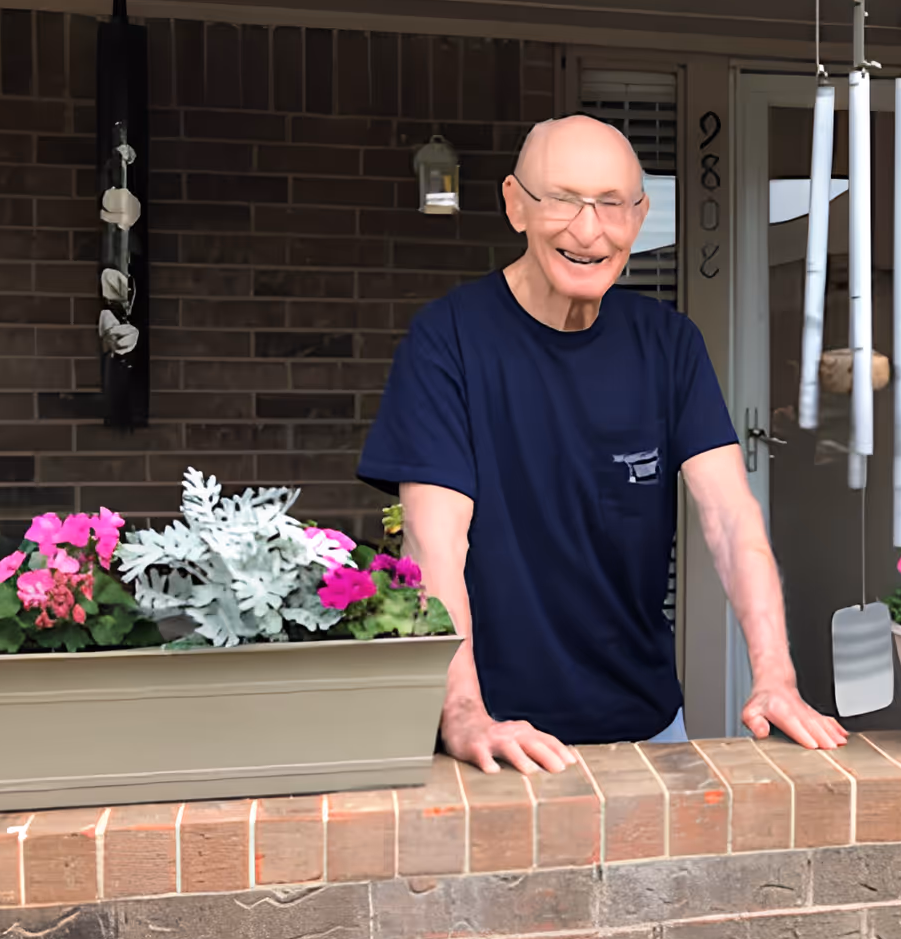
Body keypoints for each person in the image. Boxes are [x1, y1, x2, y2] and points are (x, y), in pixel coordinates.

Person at [357, 114, 846, 775]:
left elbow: (732, 519)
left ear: (640, 216)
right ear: (514, 204)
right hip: (496, 739)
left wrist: (776, 676)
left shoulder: (669, 344)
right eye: (562, 200)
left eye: (613, 204)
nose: (589, 231)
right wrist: (463, 710)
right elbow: (435, 539)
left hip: (648, 725)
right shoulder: (448, 341)